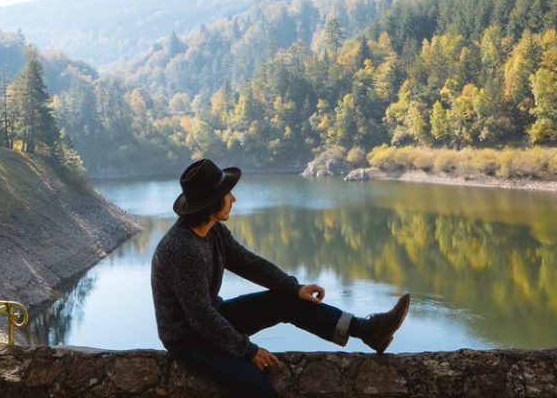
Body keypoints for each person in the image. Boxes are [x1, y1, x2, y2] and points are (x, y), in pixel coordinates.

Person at [151, 159, 411, 397]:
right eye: (227, 194)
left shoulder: (214, 231)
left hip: (212, 318)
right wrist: (248, 351)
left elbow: (249, 263)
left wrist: (293, 288)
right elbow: (200, 317)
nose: (234, 198)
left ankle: (368, 330)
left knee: (284, 300)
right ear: (212, 203)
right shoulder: (183, 249)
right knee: (259, 387)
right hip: (188, 340)